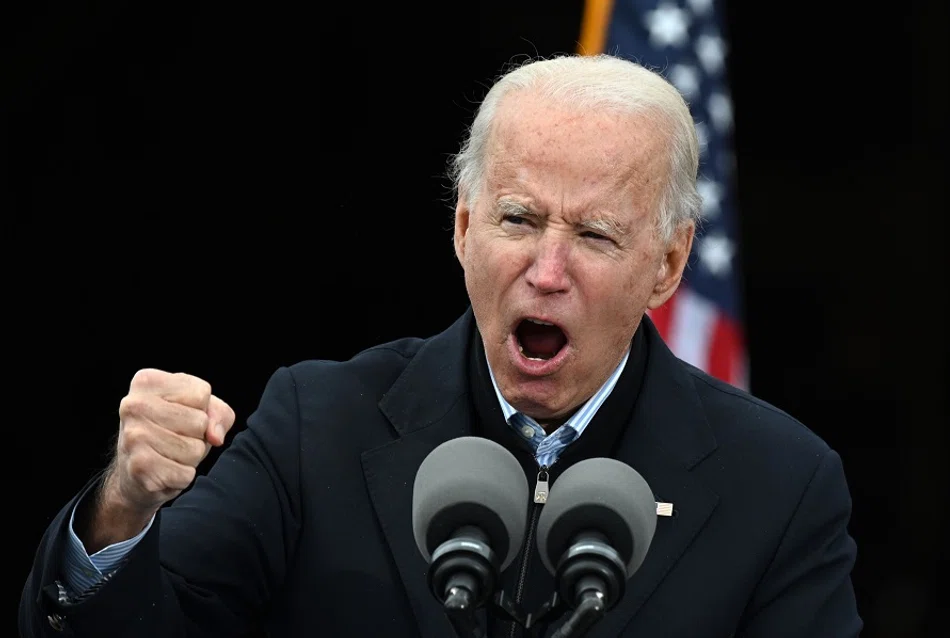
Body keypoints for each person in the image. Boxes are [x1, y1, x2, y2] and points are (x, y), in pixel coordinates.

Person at [19, 53, 862, 637]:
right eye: (518, 219)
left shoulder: (781, 486)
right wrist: (123, 507)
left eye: (597, 236)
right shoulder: (319, 426)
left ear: (669, 264)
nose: (547, 269)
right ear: (463, 227)